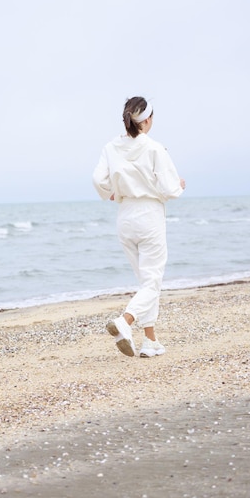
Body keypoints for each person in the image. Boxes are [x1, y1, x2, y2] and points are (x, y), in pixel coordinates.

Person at [92, 96, 185, 358]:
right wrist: (179, 187)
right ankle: (126, 321)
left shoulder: (111, 147)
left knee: (146, 282)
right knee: (152, 282)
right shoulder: (155, 148)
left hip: (125, 216)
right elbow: (169, 188)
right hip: (149, 215)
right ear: (148, 120)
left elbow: (97, 179)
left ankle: (150, 341)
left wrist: (111, 191)